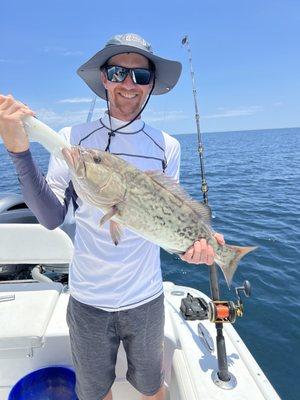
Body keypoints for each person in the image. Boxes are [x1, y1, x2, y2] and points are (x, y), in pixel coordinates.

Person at [0, 33, 224, 400]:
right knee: (94, 392)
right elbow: (52, 216)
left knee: (152, 388)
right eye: (118, 72)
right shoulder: (72, 139)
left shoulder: (167, 147)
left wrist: (191, 247)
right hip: (87, 300)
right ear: (103, 77)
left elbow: (167, 219)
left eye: (141, 76)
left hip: (146, 299)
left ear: (152, 84)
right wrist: (18, 151)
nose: (129, 85)